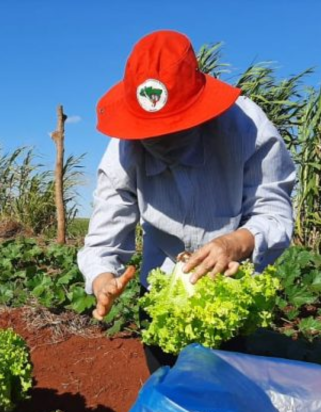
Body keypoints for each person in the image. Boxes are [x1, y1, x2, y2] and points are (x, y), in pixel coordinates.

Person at [77, 30, 295, 371]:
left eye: (174, 128)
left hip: (229, 286)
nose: (161, 140)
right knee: (170, 394)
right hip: (163, 289)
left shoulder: (247, 127)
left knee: (227, 395)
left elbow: (273, 208)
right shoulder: (122, 149)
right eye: (150, 133)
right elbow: (105, 235)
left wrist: (236, 243)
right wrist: (103, 280)